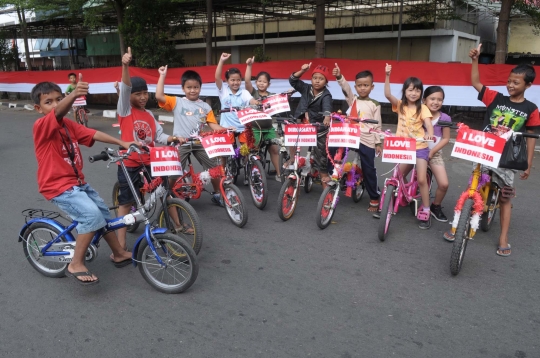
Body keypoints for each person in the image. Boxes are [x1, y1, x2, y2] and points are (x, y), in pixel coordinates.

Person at [31, 77, 135, 285]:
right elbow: (58, 112)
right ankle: (76, 263)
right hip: (58, 186)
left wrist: (121, 141)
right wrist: (74, 94)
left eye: (58, 99)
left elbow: (92, 133)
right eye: (48, 102)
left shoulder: (68, 125)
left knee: (104, 215)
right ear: (38, 108)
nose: (55, 104)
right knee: (91, 216)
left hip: (77, 183)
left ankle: (118, 252)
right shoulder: (41, 126)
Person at [444, 44, 540, 256]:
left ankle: (503, 237)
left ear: (528, 85)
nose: (510, 85)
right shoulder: (495, 98)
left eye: (516, 82)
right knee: (473, 187)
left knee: (505, 198)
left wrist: (528, 164)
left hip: (508, 158)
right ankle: (456, 225)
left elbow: (531, 138)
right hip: (484, 149)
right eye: (509, 81)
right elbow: (475, 82)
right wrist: (475, 60)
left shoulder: (531, 109)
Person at [116, 47, 183, 250]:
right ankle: (120, 247)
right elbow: (125, 87)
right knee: (126, 203)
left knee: (165, 191)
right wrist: (125, 65)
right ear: (129, 96)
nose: (143, 97)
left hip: (150, 160)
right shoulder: (125, 110)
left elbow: (159, 136)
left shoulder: (149, 115)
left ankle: (179, 226)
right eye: (138, 94)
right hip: (129, 163)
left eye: (145, 93)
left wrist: (172, 137)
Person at [156, 65, 228, 206]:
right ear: (183, 88)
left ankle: (218, 194)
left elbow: (213, 125)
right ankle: (167, 193)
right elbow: (159, 96)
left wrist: (225, 129)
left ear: (200, 88)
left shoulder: (206, 107)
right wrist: (162, 75)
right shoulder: (177, 102)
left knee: (213, 168)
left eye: (196, 87)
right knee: (175, 172)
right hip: (180, 143)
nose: (192, 90)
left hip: (198, 143)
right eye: (189, 87)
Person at [384, 64, 434, 229]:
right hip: (403, 147)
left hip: (419, 147)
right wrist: (387, 75)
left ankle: (426, 208)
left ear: (421, 93)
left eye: (418, 90)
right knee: (397, 175)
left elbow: (428, 123)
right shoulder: (400, 106)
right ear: (405, 91)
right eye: (410, 89)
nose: (414, 93)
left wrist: (429, 133)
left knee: (421, 179)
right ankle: (391, 205)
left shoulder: (423, 108)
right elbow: (387, 94)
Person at [333, 64, 382, 212]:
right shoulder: (352, 100)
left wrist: (378, 142)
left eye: (366, 85)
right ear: (355, 86)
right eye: (359, 85)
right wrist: (339, 77)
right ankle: (333, 179)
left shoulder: (375, 104)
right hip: (350, 137)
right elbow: (346, 88)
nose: (362, 88)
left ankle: (374, 197)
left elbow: (378, 126)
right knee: (335, 155)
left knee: (369, 169)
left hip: (367, 139)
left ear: (372, 87)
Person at [215, 53, 259, 184]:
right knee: (225, 152)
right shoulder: (223, 91)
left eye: (238, 80)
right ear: (227, 81)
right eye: (232, 80)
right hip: (226, 127)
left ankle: (247, 171)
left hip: (242, 126)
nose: (235, 82)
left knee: (246, 149)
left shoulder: (244, 92)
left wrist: (256, 103)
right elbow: (217, 77)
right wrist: (221, 61)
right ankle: (223, 173)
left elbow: (251, 100)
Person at [288, 62, 333, 187]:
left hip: (317, 126)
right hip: (301, 122)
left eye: (321, 79)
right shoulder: (306, 88)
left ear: (326, 81)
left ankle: (323, 173)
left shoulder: (326, 94)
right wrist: (302, 71)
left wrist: (327, 116)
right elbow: (292, 81)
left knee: (321, 152)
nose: (317, 81)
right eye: (315, 78)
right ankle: (293, 159)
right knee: (291, 139)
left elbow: (327, 106)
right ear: (311, 79)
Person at [245, 56, 282, 181]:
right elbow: (246, 82)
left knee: (274, 149)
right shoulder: (253, 93)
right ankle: (249, 173)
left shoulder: (272, 96)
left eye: (264, 81)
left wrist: (288, 94)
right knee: (252, 151)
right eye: (259, 81)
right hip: (255, 128)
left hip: (269, 128)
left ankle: (278, 174)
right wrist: (249, 66)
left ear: (269, 84)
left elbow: (281, 101)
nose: (261, 83)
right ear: (256, 83)